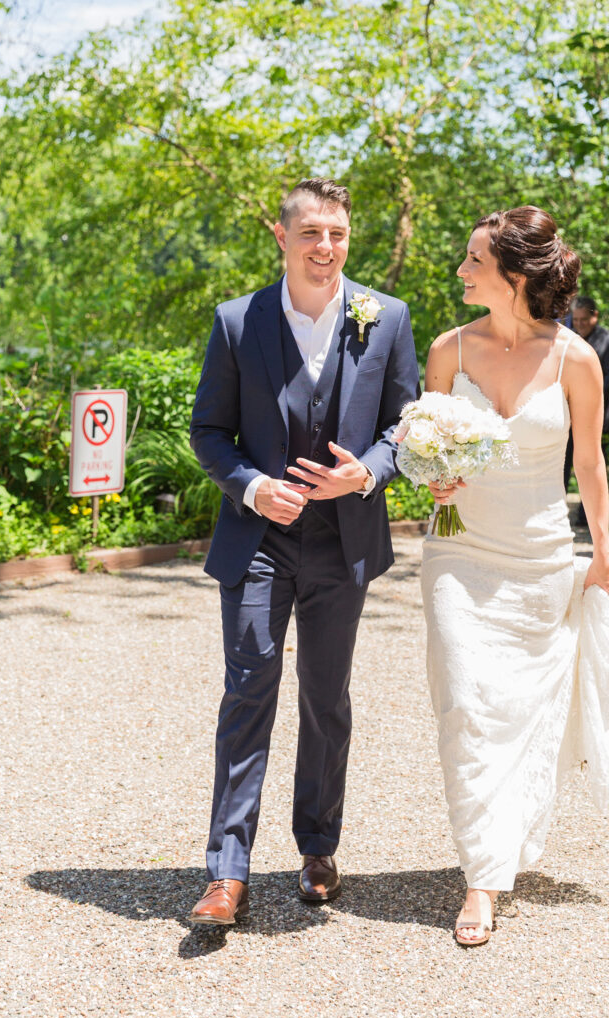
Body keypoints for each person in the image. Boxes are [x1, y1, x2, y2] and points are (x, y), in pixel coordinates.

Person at [187, 178, 419, 926]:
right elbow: (208, 433)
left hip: (341, 543)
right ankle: (227, 871)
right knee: (247, 691)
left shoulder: (385, 318)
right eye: (312, 232)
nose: (327, 247)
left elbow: (402, 426)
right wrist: (252, 488)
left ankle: (318, 847)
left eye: (339, 234)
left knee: (326, 697)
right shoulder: (235, 321)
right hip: (258, 541)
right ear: (282, 238)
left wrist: (367, 473)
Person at [421, 206, 609, 947]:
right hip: (458, 551)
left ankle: (499, 850)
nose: (460, 272)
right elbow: (431, 445)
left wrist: (600, 552)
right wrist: (435, 478)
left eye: (473, 261)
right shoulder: (446, 349)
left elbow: (589, 463)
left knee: (519, 713)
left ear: (513, 275)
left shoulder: (576, 359)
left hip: (541, 557)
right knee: (465, 701)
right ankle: (480, 879)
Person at [564, 296, 609, 526]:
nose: (579, 323)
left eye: (583, 319)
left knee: (593, 467)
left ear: (595, 316)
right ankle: (559, 513)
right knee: (563, 465)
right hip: (567, 418)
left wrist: (583, 398)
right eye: (575, 319)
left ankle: (589, 518)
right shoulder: (568, 339)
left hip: (598, 416)